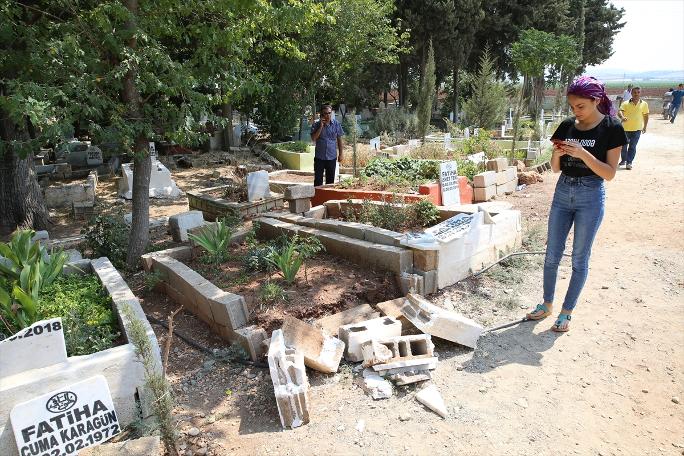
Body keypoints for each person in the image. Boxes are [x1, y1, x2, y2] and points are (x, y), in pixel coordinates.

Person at [526, 76, 627, 332]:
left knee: (579, 259)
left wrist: (583, 153)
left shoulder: (612, 128)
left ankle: (566, 312)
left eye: (580, 106)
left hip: (590, 195)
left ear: (596, 101)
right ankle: (547, 304)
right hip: (563, 192)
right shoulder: (568, 125)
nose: (575, 112)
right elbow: (555, 169)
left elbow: (610, 173)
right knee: (551, 255)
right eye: (572, 107)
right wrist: (557, 154)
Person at [310, 104, 344, 186]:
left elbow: (339, 140)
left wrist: (341, 154)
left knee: (330, 181)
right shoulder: (316, 125)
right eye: (325, 113)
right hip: (319, 157)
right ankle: (318, 198)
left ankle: (328, 198)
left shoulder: (336, 124)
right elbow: (314, 138)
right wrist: (321, 126)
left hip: (332, 157)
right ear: (322, 114)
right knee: (318, 181)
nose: (328, 115)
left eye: (329, 113)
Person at [618, 87, 649, 170]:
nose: (636, 94)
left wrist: (645, 126)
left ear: (640, 93)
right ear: (631, 93)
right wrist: (622, 117)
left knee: (632, 146)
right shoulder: (625, 103)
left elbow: (646, 116)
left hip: (637, 129)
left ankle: (629, 162)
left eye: (638, 92)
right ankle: (624, 159)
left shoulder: (644, 104)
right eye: (634, 92)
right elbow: (620, 111)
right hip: (625, 129)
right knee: (623, 146)